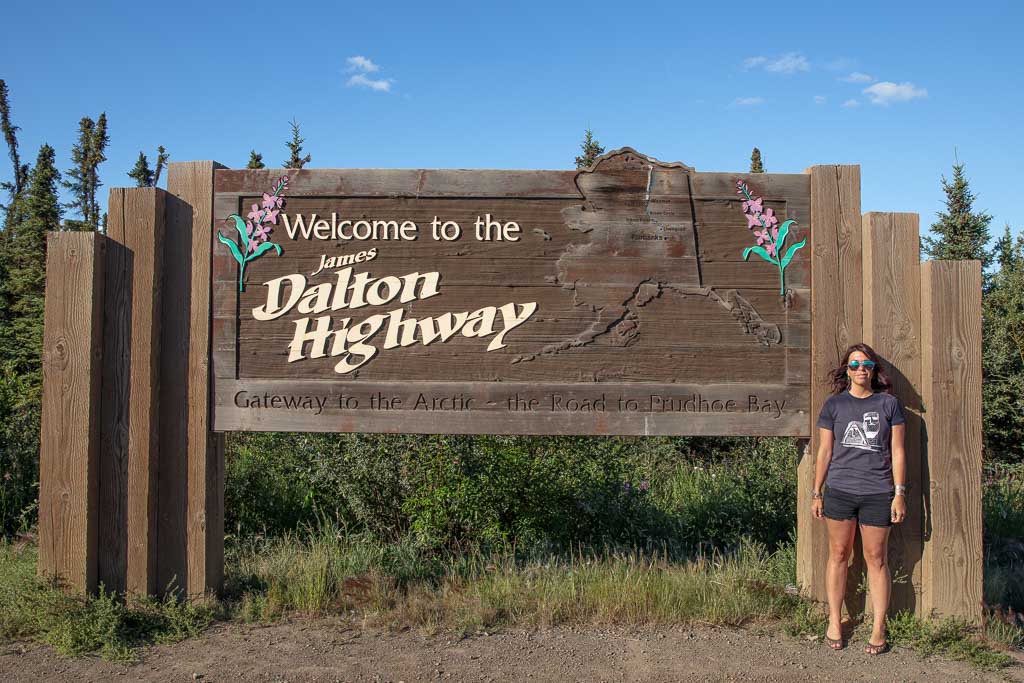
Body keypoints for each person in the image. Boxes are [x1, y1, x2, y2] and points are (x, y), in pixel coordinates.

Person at [812, 343, 907, 655]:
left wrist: (899, 494)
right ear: (847, 370)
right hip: (839, 490)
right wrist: (817, 491)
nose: (861, 369)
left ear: (874, 369)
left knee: (876, 559)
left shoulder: (889, 404)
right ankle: (835, 621)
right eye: (854, 365)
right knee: (838, 554)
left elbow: (898, 452)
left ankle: (879, 626)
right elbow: (825, 451)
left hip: (878, 492)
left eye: (866, 364)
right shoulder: (833, 406)